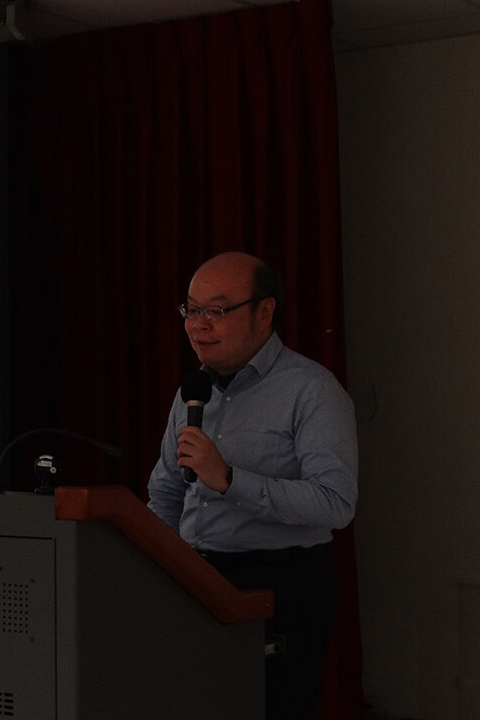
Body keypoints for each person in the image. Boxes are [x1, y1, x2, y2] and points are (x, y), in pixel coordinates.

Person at [147, 251, 358, 720]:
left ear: (264, 312)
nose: (199, 325)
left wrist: (229, 480)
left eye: (217, 310)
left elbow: (335, 503)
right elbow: (166, 494)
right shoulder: (191, 393)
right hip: (198, 581)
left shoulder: (311, 390)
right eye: (191, 310)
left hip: (281, 585)